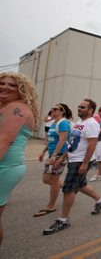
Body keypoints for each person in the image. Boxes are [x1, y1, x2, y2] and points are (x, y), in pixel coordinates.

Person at [43, 98, 101, 235]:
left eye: (83, 107)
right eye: (79, 106)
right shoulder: (80, 123)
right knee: (80, 184)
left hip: (80, 161)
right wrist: (62, 157)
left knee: (69, 189)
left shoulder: (92, 124)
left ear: (91, 110)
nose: (79, 108)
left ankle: (63, 220)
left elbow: (92, 145)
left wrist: (85, 163)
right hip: (74, 158)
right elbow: (72, 142)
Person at [0, 72, 39, 246]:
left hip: (5, 167)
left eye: (12, 85)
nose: (5, 87)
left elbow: (5, 140)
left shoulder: (17, 108)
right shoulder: (8, 106)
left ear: (21, 90)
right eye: (2, 83)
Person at [34, 103, 72, 217]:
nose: (52, 110)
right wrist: (43, 151)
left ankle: (51, 206)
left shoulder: (63, 123)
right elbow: (51, 140)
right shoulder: (54, 123)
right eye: (52, 108)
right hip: (52, 155)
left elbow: (63, 140)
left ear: (62, 111)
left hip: (59, 155)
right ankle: (69, 189)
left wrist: (56, 156)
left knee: (53, 181)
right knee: (46, 179)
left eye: (55, 109)